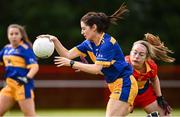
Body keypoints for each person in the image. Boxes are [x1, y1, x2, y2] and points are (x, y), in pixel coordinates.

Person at [38, 3, 138, 117]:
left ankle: (128, 107)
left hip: (124, 83)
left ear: (94, 27)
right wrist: (55, 40)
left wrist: (72, 64)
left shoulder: (107, 44)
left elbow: (96, 69)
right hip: (114, 84)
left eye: (84, 28)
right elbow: (67, 54)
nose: (82, 32)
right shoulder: (88, 43)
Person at [125, 33, 174, 116]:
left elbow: (154, 79)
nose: (136, 57)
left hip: (144, 92)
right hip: (126, 92)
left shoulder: (151, 66)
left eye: (141, 54)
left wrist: (159, 97)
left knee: (166, 116)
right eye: (135, 52)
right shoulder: (123, 64)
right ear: (130, 52)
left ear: (146, 57)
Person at [0, 24, 39, 116]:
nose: (14, 36)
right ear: (8, 35)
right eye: (11, 34)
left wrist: (26, 78)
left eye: (16, 33)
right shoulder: (6, 48)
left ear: (21, 35)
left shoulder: (25, 49)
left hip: (22, 86)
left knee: (30, 115)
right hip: (9, 86)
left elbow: (35, 67)